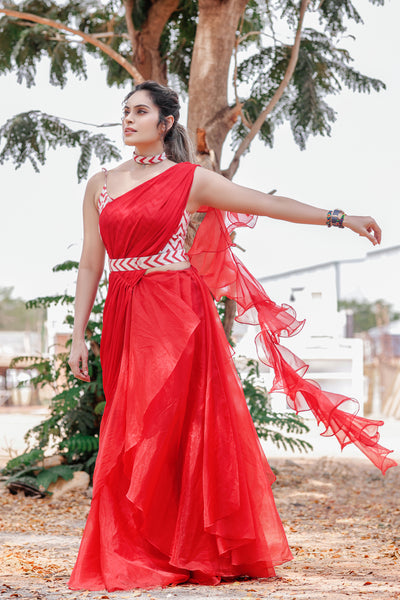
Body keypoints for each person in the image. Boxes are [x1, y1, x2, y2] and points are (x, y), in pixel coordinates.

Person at [68, 80, 396, 592]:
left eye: (139, 111)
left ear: (166, 122)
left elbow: (266, 203)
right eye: (124, 111)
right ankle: (144, 543)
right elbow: (92, 261)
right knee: (132, 422)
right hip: (124, 310)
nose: (127, 119)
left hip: (176, 311)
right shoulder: (101, 183)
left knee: (175, 425)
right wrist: (76, 334)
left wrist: (339, 217)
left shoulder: (189, 179)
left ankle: (188, 547)